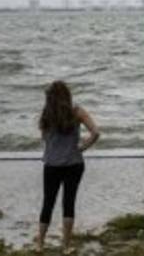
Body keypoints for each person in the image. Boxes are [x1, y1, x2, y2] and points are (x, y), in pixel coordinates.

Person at [36, 80, 100, 253]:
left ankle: (40, 244)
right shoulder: (76, 112)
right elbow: (95, 133)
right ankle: (65, 246)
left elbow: (44, 138)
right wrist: (82, 147)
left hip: (51, 164)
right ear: (67, 95)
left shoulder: (46, 115)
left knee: (48, 203)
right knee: (68, 203)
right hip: (74, 163)